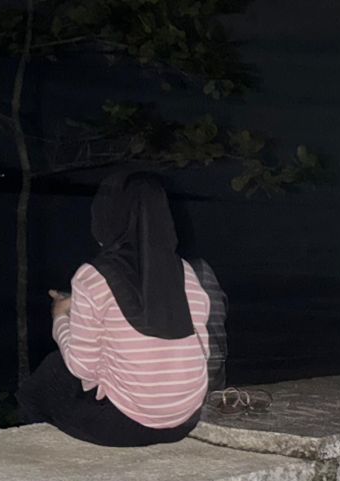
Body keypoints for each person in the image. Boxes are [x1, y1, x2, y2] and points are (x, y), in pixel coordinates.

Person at [16, 172, 215, 447]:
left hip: (125, 426)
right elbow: (201, 349)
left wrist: (60, 316)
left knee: (49, 373)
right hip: (185, 421)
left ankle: (38, 452)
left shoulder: (93, 276)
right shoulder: (185, 272)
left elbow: (82, 367)